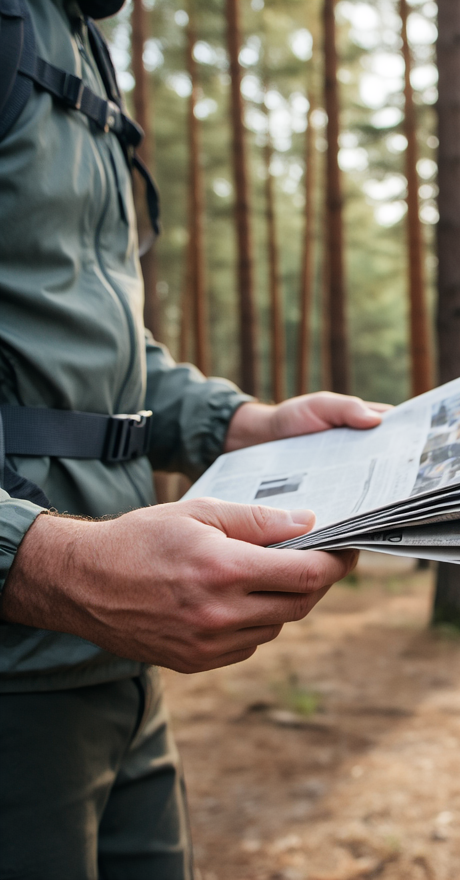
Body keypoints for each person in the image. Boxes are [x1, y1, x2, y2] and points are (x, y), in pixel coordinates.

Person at [0, 0, 386, 875]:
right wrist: (45, 564)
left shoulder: (74, 41)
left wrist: (244, 424)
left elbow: (88, 344)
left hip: (118, 672)